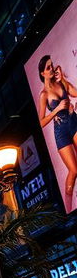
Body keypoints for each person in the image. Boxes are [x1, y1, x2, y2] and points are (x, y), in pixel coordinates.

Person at [37, 56, 77, 211]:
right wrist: (57, 109)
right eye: (48, 67)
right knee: (74, 170)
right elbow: (41, 122)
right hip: (60, 131)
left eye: (52, 65)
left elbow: (74, 93)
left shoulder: (60, 82)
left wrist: (64, 80)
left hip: (73, 121)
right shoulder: (44, 94)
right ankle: (69, 209)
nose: (52, 69)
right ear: (42, 73)